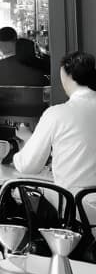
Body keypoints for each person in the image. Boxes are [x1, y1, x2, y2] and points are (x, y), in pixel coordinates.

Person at [13, 51, 96, 195]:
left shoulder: (57, 114)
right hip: (87, 204)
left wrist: (25, 142)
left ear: (67, 76)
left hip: (76, 207)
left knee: (19, 193)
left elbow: (28, 165)